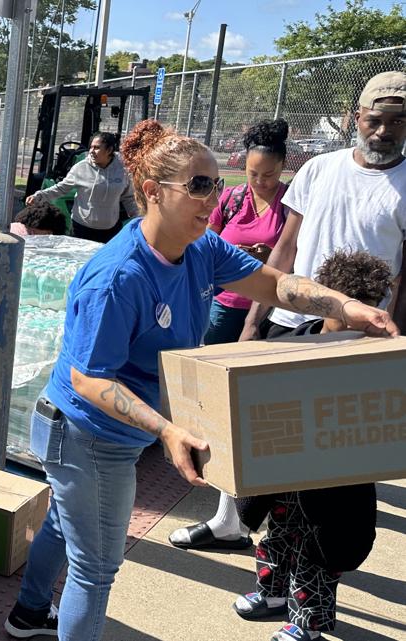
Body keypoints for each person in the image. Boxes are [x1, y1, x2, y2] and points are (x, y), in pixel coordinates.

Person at [2, 119, 397, 641]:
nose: (213, 197)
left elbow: (275, 283)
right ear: (151, 192)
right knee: (96, 571)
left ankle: (28, 615)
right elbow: (89, 379)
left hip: (104, 436)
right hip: (86, 437)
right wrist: (166, 430)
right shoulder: (120, 276)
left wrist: (346, 305)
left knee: (65, 527)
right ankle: (37, 615)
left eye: (215, 183)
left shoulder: (200, 249)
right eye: (198, 185)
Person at [232, 249, 391, 641]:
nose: (360, 328)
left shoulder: (375, 361)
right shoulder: (290, 344)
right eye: (349, 315)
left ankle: (310, 621)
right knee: (278, 533)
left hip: (337, 481)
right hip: (285, 471)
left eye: (368, 317)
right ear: (326, 302)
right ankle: (271, 594)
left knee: (316, 550)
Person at [169, 119, 292, 552]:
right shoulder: (232, 197)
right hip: (223, 310)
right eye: (253, 173)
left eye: (269, 175)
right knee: (220, 407)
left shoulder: (290, 205)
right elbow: (206, 240)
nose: (260, 181)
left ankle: (240, 516)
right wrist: (237, 256)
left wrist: (264, 267)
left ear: (283, 168)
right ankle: (227, 515)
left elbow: (285, 264)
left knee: (253, 414)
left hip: (265, 316)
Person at [241, 71, 406, 342]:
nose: (383, 132)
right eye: (373, 121)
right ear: (357, 119)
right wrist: (252, 321)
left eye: (397, 121)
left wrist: (397, 340)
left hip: (361, 327)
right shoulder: (318, 168)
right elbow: (286, 248)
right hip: (290, 318)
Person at [26, 131, 139, 242]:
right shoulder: (80, 168)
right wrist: (38, 196)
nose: (91, 151)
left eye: (97, 148)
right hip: (81, 229)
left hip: (110, 230)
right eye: (91, 147)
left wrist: (137, 216)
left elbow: (128, 197)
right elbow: (60, 189)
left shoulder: (122, 170)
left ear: (109, 150)